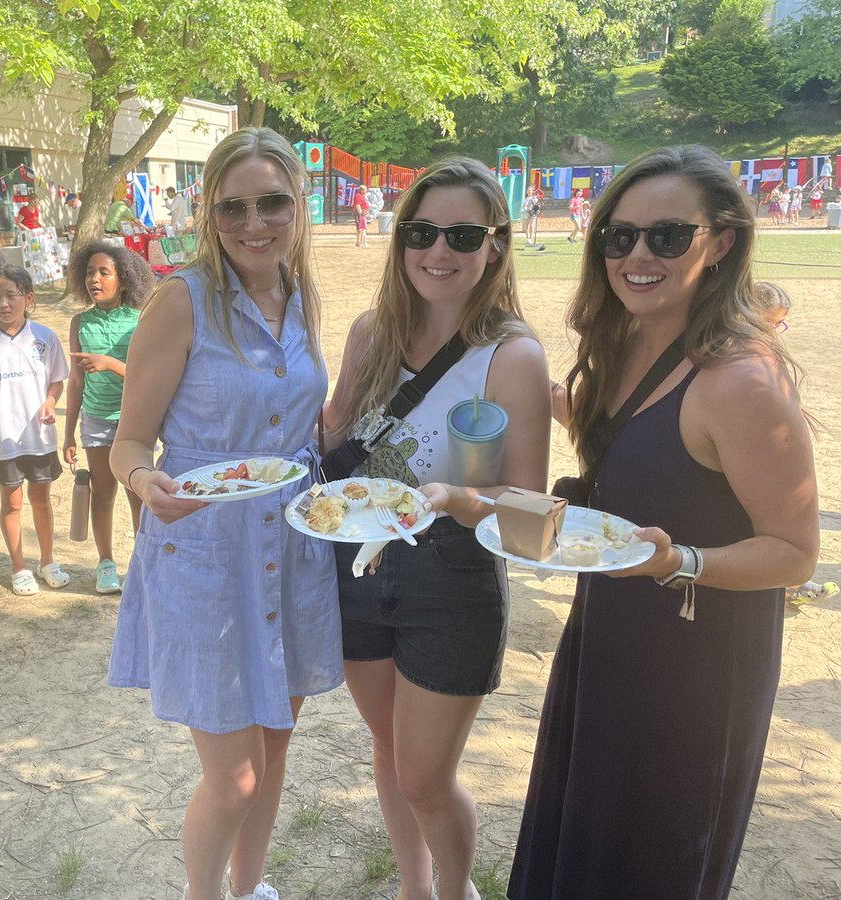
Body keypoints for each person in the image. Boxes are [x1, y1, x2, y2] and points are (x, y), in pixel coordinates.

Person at [509, 145, 819, 900]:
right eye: (619, 236)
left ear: (720, 243)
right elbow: (648, 455)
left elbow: (794, 553)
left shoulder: (739, 380)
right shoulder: (624, 343)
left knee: (652, 850)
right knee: (586, 824)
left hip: (698, 664)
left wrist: (679, 561)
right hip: (612, 622)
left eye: (666, 236)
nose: (637, 255)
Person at [107, 127, 341, 900]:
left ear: (298, 204)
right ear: (208, 213)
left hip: (295, 550)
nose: (254, 222)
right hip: (205, 547)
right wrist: (144, 483)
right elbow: (128, 440)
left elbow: (303, 419)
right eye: (232, 206)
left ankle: (249, 891)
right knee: (235, 777)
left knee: (275, 749)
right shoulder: (181, 301)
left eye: (272, 201)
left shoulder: (301, 293)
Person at [324, 157, 550, 900]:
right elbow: (333, 441)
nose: (439, 251)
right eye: (422, 231)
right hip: (357, 565)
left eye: (461, 234)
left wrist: (456, 497)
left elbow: (527, 506)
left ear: (496, 244)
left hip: (451, 575)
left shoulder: (512, 355)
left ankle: (457, 890)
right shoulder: (371, 333)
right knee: (390, 751)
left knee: (426, 775)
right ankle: (414, 890)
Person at [0, 264, 70, 594]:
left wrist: (50, 402)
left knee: (41, 500)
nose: (3, 303)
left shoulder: (44, 338)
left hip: (39, 438)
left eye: (11, 295)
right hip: (3, 439)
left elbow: (56, 381)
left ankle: (48, 561)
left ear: (28, 298)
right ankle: (19, 566)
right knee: (13, 504)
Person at [61, 240, 154, 595]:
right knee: (103, 493)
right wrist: (68, 433)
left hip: (134, 422)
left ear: (125, 280)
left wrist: (110, 363)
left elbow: (148, 378)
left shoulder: (140, 321)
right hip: (96, 422)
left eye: (104, 272)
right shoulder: (79, 322)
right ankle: (105, 564)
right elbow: (75, 380)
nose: (94, 280)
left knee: (137, 494)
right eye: (89, 272)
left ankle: (142, 564)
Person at [750, 281, 836, 609]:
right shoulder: (737, 354)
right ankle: (788, 585)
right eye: (772, 322)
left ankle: (793, 585)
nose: (777, 330)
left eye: (781, 323)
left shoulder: (766, 351)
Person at [353, 184, 370, 248]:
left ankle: (358, 242)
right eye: (365, 189)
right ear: (362, 190)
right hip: (360, 214)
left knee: (360, 228)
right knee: (362, 228)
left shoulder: (362, 196)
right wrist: (361, 214)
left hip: (362, 214)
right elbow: (357, 205)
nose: (366, 191)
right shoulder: (358, 196)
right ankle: (363, 242)